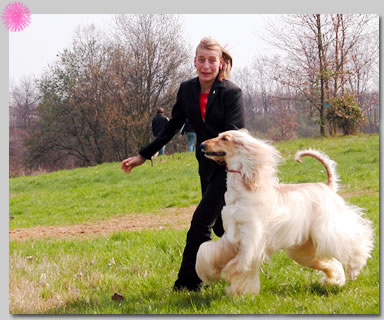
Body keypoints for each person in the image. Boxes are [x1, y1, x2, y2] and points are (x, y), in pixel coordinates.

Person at [121, 37, 245, 291]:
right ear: (195, 61)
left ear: (221, 63)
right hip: (206, 167)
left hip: (229, 168)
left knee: (200, 223)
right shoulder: (187, 89)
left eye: (212, 60)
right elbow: (172, 126)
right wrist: (144, 155)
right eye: (202, 60)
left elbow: (236, 134)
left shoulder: (231, 93)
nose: (206, 66)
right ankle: (236, 266)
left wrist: (223, 157)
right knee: (220, 226)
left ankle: (188, 284)